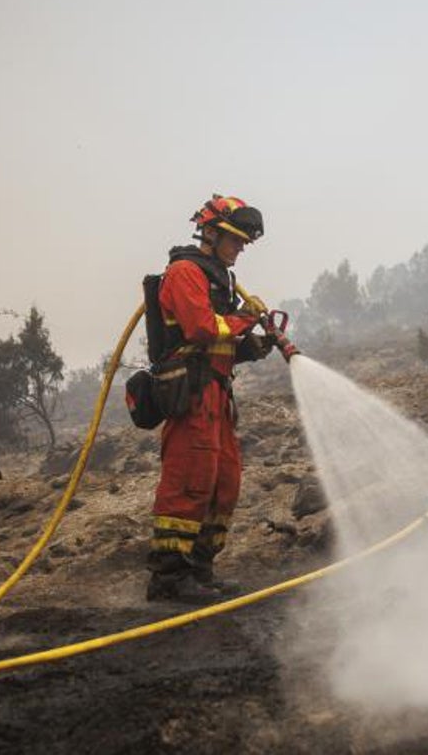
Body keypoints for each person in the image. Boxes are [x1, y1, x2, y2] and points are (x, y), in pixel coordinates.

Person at [145, 194, 297, 604]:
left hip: (217, 391)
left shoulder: (219, 279)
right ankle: (169, 577)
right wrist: (248, 316)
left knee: (223, 481)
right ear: (210, 233)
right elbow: (200, 329)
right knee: (190, 479)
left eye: (245, 242)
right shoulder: (184, 272)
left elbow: (224, 341)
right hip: (192, 393)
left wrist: (255, 345)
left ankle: (200, 569)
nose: (240, 249)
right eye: (236, 240)